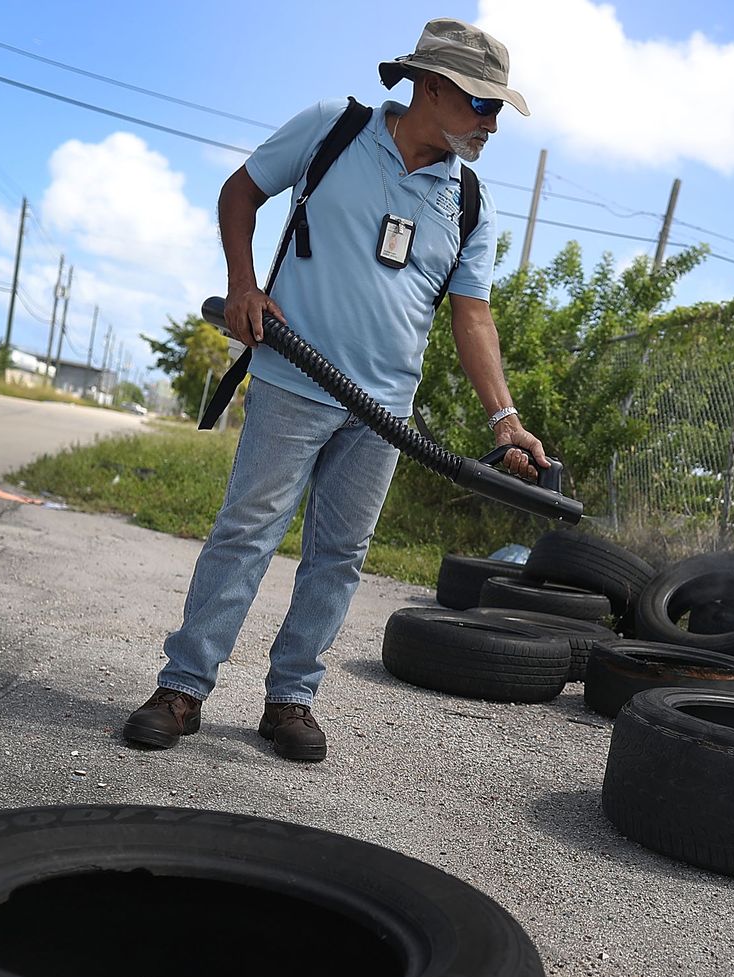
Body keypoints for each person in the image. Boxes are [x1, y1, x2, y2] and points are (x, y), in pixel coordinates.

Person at [123, 18, 547, 762]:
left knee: (338, 557)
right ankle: (182, 688)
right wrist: (244, 286)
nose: (491, 124)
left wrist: (504, 418)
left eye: (497, 111)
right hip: (294, 380)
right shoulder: (335, 129)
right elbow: (239, 193)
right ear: (434, 87)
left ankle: (291, 700)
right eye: (482, 105)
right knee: (247, 534)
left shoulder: (468, 200)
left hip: (384, 415)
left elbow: (472, 314)